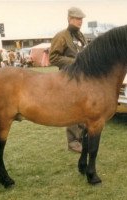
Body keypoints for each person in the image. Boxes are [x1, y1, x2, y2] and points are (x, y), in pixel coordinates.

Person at [49, 7, 87, 153]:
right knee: (72, 108)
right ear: (70, 19)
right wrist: (75, 61)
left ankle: (82, 136)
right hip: (68, 78)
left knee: (82, 107)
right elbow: (53, 57)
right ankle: (73, 141)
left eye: (81, 19)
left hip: (82, 78)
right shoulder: (61, 36)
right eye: (78, 19)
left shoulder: (81, 36)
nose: (80, 22)